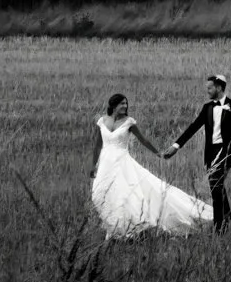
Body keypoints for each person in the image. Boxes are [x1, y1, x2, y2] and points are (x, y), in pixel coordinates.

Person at [91, 93, 213, 238]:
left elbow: (144, 140)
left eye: (126, 103)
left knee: (123, 194)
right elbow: (98, 145)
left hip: (122, 163)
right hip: (106, 164)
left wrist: (158, 153)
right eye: (121, 103)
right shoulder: (102, 121)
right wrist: (93, 165)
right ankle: (114, 226)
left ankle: (126, 230)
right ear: (113, 105)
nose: (125, 106)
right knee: (101, 194)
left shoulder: (129, 122)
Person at [164, 73, 231, 232]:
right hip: (211, 152)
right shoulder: (207, 107)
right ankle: (227, 215)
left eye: (210, 88)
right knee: (217, 185)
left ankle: (219, 229)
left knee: (215, 185)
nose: (207, 91)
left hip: (227, 151)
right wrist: (176, 146)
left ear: (219, 87)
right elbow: (193, 127)